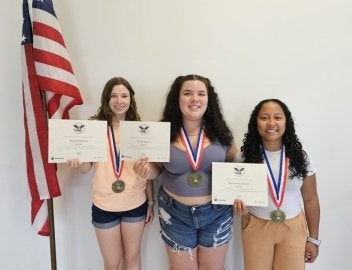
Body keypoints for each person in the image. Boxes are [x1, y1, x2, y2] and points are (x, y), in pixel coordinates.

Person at [67, 77, 159, 270]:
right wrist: (77, 162)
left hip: (135, 203)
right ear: (106, 99)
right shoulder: (94, 128)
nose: (119, 101)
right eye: (114, 96)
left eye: (124, 96)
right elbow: (86, 169)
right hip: (103, 204)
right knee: (112, 263)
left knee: (132, 258)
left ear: (130, 99)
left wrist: (150, 203)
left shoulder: (141, 129)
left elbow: (147, 171)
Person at [157, 74, 238, 270]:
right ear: (177, 98)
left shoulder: (222, 133)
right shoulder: (161, 133)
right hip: (174, 212)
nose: (195, 99)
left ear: (209, 100)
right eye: (187, 93)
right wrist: (144, 170)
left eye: (201, 94)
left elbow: (232, 166)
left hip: (217, 212)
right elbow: (155, 171)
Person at [233, 98, 321, 270]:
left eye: (278, 117)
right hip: (256, 226)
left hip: (293, 228)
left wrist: (313, 239)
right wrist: (237, 208)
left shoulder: (302, 158)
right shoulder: (243, 159)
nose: (271, 123)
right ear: (255, 123)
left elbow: (311, 199)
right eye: (264, 118)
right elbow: (233, 195)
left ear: (286, 122)